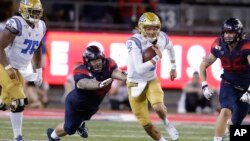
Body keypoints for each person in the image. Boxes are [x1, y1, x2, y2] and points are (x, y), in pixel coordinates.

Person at [46, 44, 127, 141]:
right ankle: (52, 136)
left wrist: (125, 76)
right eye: (94, 61)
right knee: (70, 129)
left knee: (83, 119)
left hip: (93, 104)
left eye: (98, 59)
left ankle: (79, 125)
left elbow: (115, 72)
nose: (97, 63)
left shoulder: (108, 63)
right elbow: (83, 83)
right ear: (87, 62)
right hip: (76, 104)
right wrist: (99, 84)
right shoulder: (80, 70)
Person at [126, 12, 179, 141]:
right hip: (135, 82)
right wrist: (157, 58)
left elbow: (171, 48)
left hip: (151, 79)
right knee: (146, 124)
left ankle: (166, 122)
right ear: (141, 28)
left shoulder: (162, 38)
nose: (152, 31)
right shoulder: (134, 42)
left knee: (158, 107)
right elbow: (139, 68)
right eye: (148, 28)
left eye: (154, 28)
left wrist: (173, 67)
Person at [0, 0, 46, 140]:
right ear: (24, 10)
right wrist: (7, 67)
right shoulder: (16, 23)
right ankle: (18, 137)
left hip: (18, 68)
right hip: (4, 64)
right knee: (19, 101)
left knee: (5, 104)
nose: (35, 15)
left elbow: (38, 49)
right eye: (32, 12)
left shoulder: (41, 26)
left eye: (38, 12)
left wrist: (39, 71)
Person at [199, 18, 250, 141]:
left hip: (245, 86)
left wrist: (249, 91)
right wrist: (204, 85)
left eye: (231, 32)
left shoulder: (246, 46)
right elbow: (204, 64)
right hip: (229, 83)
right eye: (226, 32)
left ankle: (227, 131)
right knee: (226, 110)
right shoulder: (218, 44)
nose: (227, 35)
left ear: (238, 33)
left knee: (235, 125)